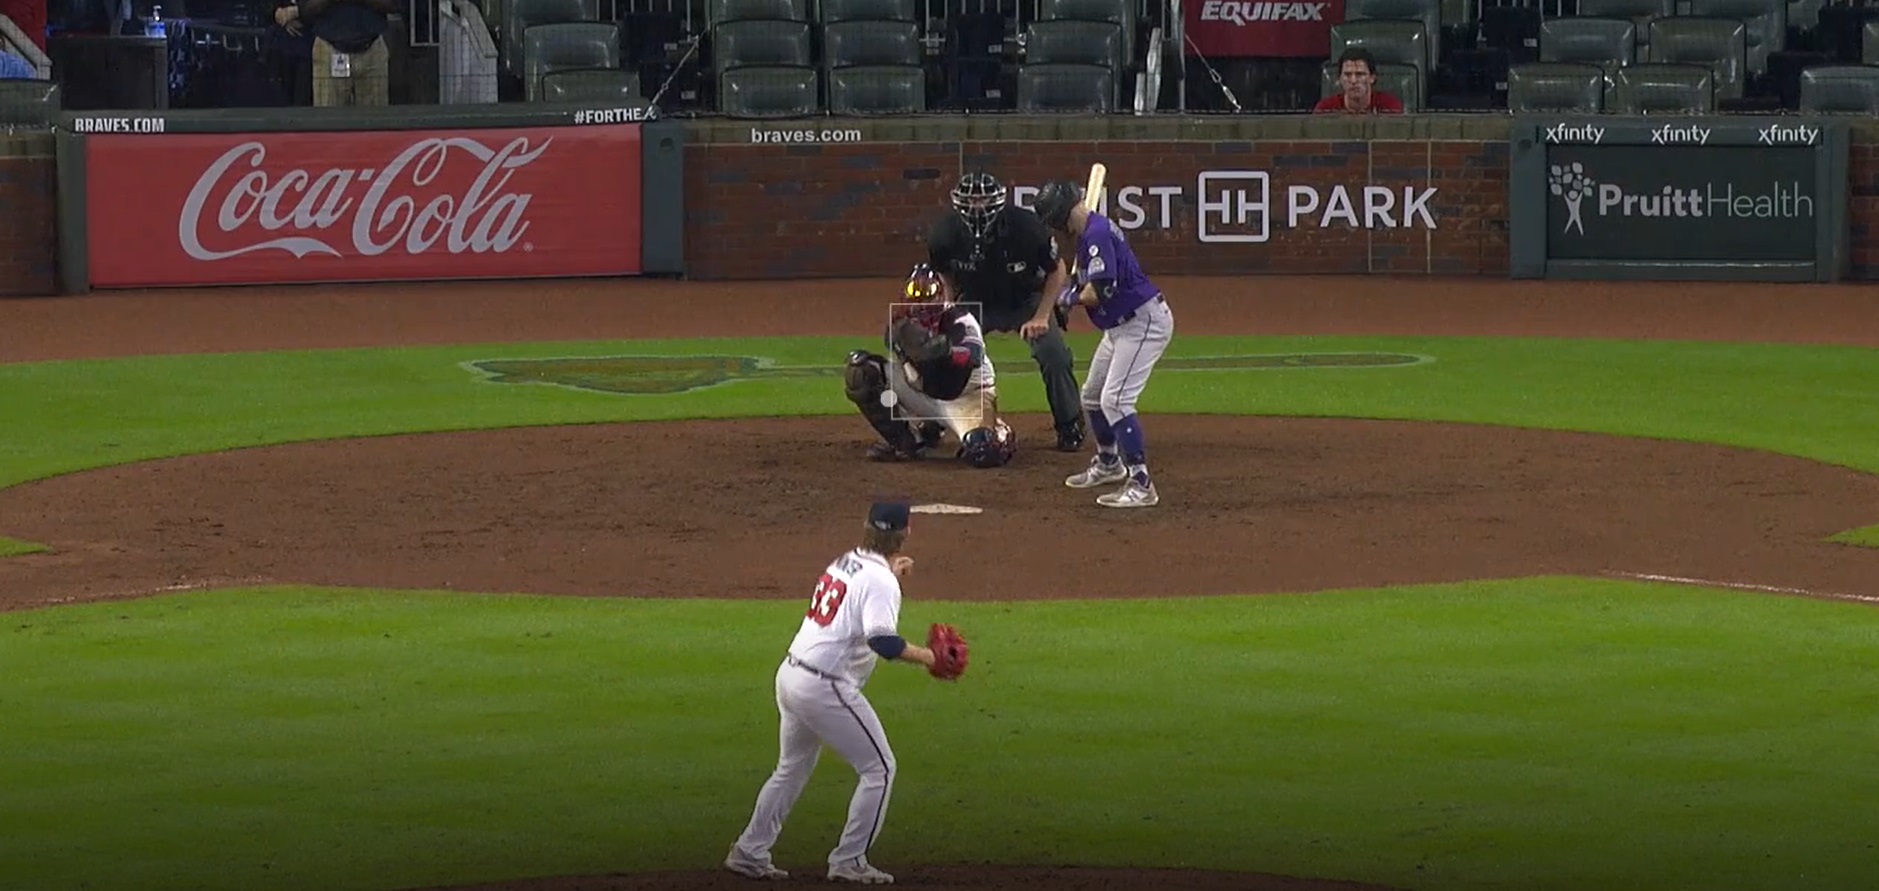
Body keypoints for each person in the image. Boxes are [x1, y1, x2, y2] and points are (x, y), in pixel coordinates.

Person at [724, 500, 966, 885]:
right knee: (880, 770)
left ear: (866, 527)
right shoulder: (882, 581)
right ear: (906, 532)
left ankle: (749, 851)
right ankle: (849, 860)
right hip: (824, 686)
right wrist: (928, 657)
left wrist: (888, 573)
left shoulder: (845, 561)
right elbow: (883, 642)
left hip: (790, 675)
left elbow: (863, 593)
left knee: (791, 768)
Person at [1031, 179, 1175, 509]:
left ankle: (1141, 483)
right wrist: (1073, 289)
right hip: (1119, 327)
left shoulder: (1095, 235)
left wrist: (1069, 297)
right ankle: (1110, 463)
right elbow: (1091, 283)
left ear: (1057, 217)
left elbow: (1100, 293)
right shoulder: (1091, 234)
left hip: (1142, 324)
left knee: (1116, 401)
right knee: (1093, 397)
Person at [926, 171, 1088, 452]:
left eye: (983, 200)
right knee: (944, 353)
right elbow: (945, 274)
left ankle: (1069, 423)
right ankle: (935, 422)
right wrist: (949, 308)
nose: (977, 206)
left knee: (1054, 354)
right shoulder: (944, 234)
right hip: (977, 300)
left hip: (1026, 298)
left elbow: (1056, 269)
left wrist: (1042, 315)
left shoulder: (1026, 226)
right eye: (971, 200)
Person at [843, 263, 1017, 468]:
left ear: (941, 296)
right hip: (924, 393)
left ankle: (999, 432)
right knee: (861, 374)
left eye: (927, 293)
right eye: (914, 293)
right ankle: (908, 440)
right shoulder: (900, 325)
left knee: (983, 450)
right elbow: (901, 355)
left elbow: (974, 355)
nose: (920, 302)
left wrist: (948, 352)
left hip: (966, 398)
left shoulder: (960, 319)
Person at [289, 0, 397, 107]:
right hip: (329, 50)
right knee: (329, 120)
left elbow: (393, 5)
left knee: (375, 120)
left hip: (372, 51)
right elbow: (306, 8)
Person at [1313, 47, 1405, 115]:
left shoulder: (1390, 107)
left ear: (1372, 78)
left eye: (1360, 74)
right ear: (1340, 78)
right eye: (1347, 75)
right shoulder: (1325, 110)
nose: (1353, 81)